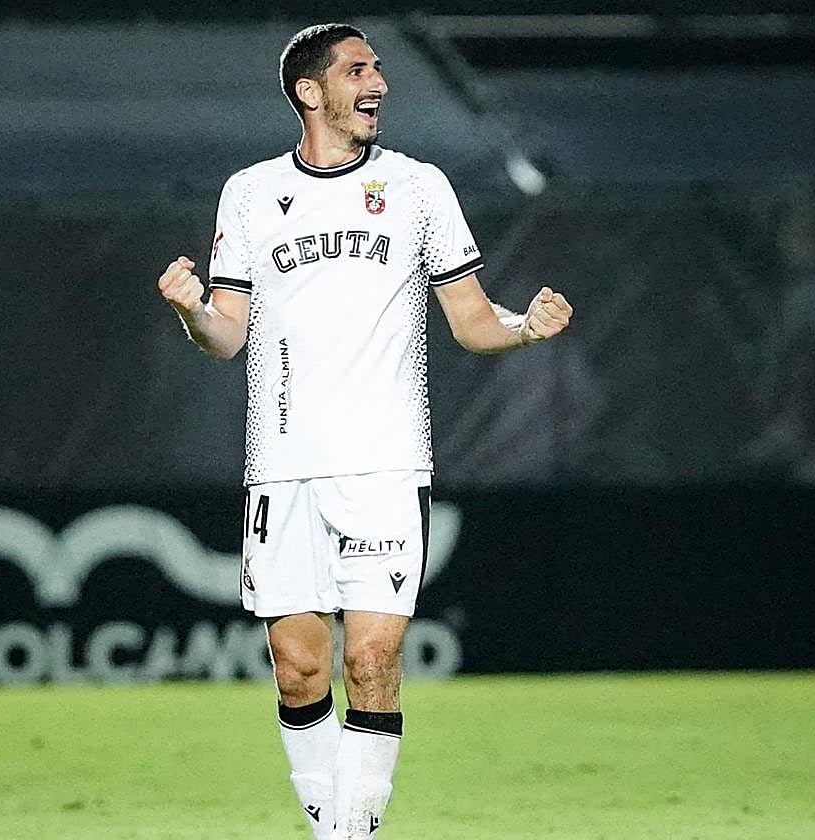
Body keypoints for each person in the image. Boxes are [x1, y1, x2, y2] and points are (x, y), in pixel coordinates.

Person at [157, 23, 573, 839]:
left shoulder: (418, 187)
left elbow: (471, 319)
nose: (377, 79)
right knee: (300, 667)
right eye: (358, 68)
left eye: (379, 66)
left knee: (372, 660)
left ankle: (352, 837)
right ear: (311, 92)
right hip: (283, 466)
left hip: (385, 465)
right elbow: (227, 334)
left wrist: (525, 327)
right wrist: (191, 310)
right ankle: (332, 830)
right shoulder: (248, 193)